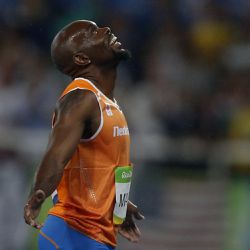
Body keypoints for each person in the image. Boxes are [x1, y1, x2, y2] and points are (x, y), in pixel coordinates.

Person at [24, 20, 144, 250]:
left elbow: (105, 165)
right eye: (92, 32)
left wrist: (117, 204)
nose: (105, 30)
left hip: (96, 237)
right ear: (81, 59)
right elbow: (57, 155)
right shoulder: (81, 98)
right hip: (71, 234)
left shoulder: (107, 102)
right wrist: (38, 194)